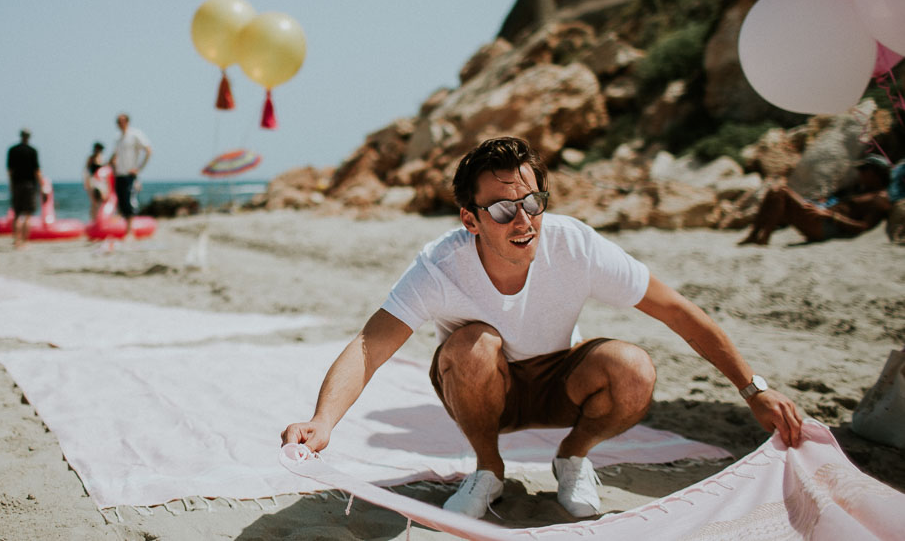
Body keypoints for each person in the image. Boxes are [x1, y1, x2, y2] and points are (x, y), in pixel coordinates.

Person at [281, 136, 803, 520]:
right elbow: (372, 347)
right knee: (473, 343)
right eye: (505, 209)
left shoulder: (575, 246)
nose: (524, 220)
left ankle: (573, 457)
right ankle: (489, 471)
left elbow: (677, 311)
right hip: (484, 387)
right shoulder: (440, 265)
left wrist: (752, 388)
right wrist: (323, 421)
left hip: (560, 381)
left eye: (532, 202)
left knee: (633, 367)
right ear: (470, 220)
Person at [738, 154, 893, 246]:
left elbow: (863, 226)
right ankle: (756, 234)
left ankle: (763, 237)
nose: (860, 174)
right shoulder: (863, 190)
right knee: (774, 192)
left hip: (826, 226)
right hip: (821, 217)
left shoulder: (879, 199)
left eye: (864, 170)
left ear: (875, 173)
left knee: (782, 191)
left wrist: (831, 216)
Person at [108, 113, 152, 237]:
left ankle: (130, 231)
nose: (119, 124)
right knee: (121, 202)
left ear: (127, 122)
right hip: (119, 174)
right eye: (118, 122)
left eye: (122, 121)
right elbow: (114, 155)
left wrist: (139, 168)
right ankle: (126, 229)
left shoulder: (135, 135)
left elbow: (148, 150)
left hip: (130, 174)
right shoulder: (117, 138)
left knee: (129, 201)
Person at [6, 128, 41, 249]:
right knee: (27, 215)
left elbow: (10, 171)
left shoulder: (13, 150)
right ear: (29, 137)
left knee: (17, 214)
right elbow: (37, 171)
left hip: (17, 184)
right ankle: (25, 241)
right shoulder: (32, 151)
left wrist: (11, 185)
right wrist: (41, 185)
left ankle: (16, 241)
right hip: (29, 185)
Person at [83, 141, 106, 220]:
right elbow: (86, 171)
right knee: (94, 201)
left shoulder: (101, 158)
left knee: (101, 200)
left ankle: (99, 218)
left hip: (100, 182)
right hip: (93, 181)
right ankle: (93, 219)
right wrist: (87, 182)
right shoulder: (91, 159)